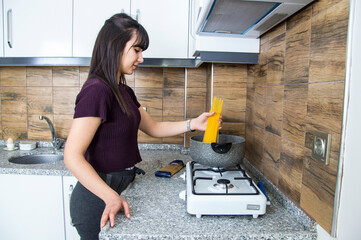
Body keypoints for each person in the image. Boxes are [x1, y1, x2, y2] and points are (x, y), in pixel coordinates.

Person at [64, 13, 222, 240]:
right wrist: (109, 196)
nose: (141, 58)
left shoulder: (123, 91)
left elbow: (154, 128)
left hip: (119, 188)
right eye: (136, 50)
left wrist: (194, 124)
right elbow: (72, 156)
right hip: (97, 199)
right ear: (115, 46)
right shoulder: (97, 90)